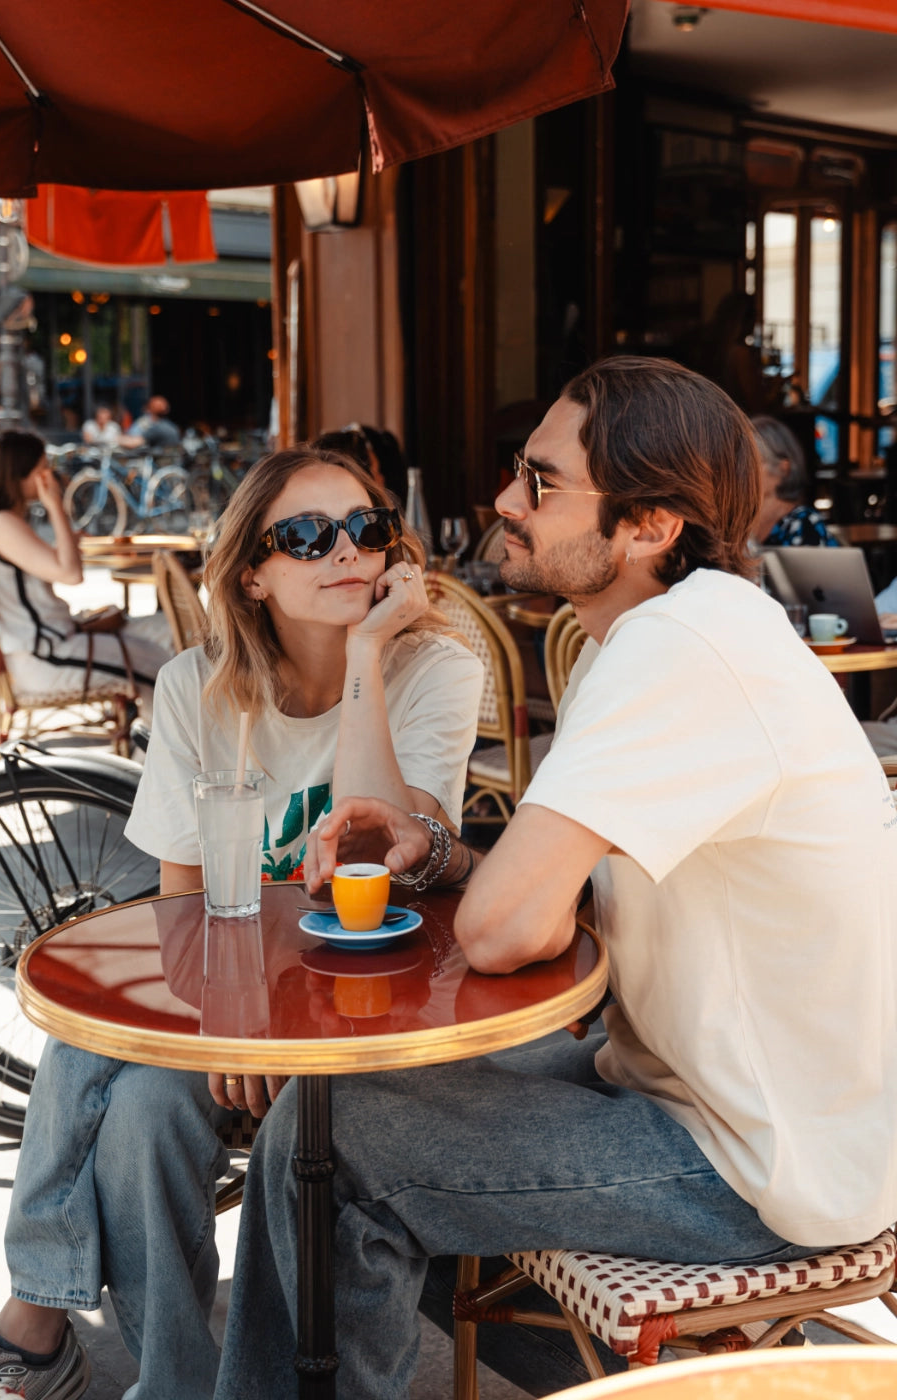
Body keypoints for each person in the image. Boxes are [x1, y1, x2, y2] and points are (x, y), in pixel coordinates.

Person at [215, 356, 897, 1398]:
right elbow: (557, 899)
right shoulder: (680, 630)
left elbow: (500, 933)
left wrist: (481, 887)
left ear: (648, 524)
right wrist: (438, 850)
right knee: (329, 1114)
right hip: (715, 1098)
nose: (503, 504)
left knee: (340, 1146)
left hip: (766, 1166)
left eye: (540, 482)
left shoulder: (677, 645)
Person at [0, 444, 482, 1400]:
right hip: (235, 1004)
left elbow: (375, 857)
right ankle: (173, 1384)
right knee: (139, 1109)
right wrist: (235, 1012)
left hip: (367, 1013)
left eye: (366, 528)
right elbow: (183, 903)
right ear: (252, 573)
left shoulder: (435, 671)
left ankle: (31, 1333)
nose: (345, 551)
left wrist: (370, 658)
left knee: (122, 1066)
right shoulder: (194, 686)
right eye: (306, 535)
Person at [0, 430, 174, 725]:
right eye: (42, 469)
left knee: (161, 651)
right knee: (161, 669)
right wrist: (56, 507)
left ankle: (150, 756)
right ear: (18, 476)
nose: (48, 475)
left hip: (53, 643)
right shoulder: (3, 524)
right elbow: (71, 574)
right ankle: (149, 764)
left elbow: (55, 565)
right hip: (46, 656)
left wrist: (66, 538)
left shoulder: (0, 522)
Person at [751, 414, 837, 547]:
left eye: (754, 463)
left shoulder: (805, 525)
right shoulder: (738, 525)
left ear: (783, 470)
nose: (743, 472)